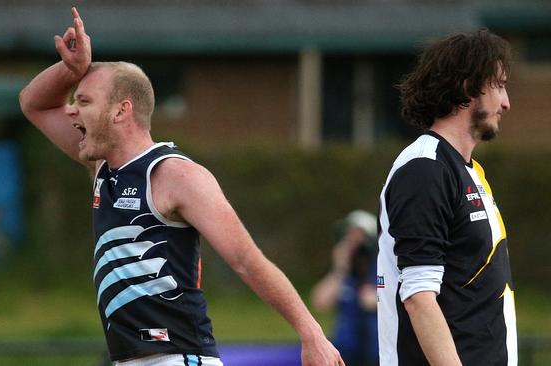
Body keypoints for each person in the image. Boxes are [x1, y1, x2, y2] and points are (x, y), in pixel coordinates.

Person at [18, 7, 344, 366]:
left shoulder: (174, 174)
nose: (70, 111)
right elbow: (34, 104)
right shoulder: (103, 167)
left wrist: (311, 333)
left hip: (179, 358)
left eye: (83, 101)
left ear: (121, 111)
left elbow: (246, 260)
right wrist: (72, 71)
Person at [376, 29, 517, 366]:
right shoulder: (424, 169)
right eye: (498, 85)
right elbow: (419, 297)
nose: (506, 102)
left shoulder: (470, 172)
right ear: (468, 88)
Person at [311, 210, 379, 366]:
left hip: (376, 352)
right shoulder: (344, 273)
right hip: (346, 352)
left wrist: (377, 300)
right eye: (349, 235)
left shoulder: (380, 268)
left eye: (358, 235)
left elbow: (403, 301)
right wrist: (340, 269)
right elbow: (320, 303)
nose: (352, 240)